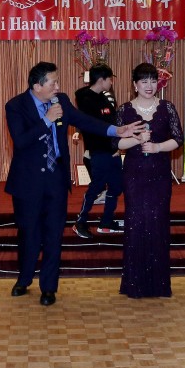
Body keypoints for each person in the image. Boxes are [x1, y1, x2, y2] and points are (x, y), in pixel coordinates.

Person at [4, 61, 143, 306]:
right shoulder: (16, 106)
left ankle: (49, 287)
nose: (58, 86)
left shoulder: (61, 101)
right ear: (37, 86)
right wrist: (46, 120)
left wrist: (116, 130)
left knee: (54, 235)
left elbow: (85, 121)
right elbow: (21, 140)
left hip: (56, 179)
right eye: (53, 82)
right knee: (29, 234)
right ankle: (24, 279)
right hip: (27, 183)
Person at [116, 63, 183, 298]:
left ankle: (159, 285)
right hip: (134, 174)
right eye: (144, 81)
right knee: (136, 225)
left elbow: (178, 138)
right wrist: (137, 140)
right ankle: (134, 284)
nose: (149, 86)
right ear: (135, 85)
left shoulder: (167, 107)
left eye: (153, 81)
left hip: (159, 175)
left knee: (158, 224)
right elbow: (116, 143)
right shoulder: (124, 110)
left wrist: (157, 147)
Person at [73, 64, 123, 240]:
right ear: (101, 80)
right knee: (96, 187)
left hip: (113, 151)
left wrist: (117, 145)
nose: (111, 83)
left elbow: (113, 122)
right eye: (110, 79)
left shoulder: (105, 98)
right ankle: (80, 222)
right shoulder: (85, 99)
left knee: (116, 185)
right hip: (99, 151)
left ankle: (106, 221)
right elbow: (96, 126)